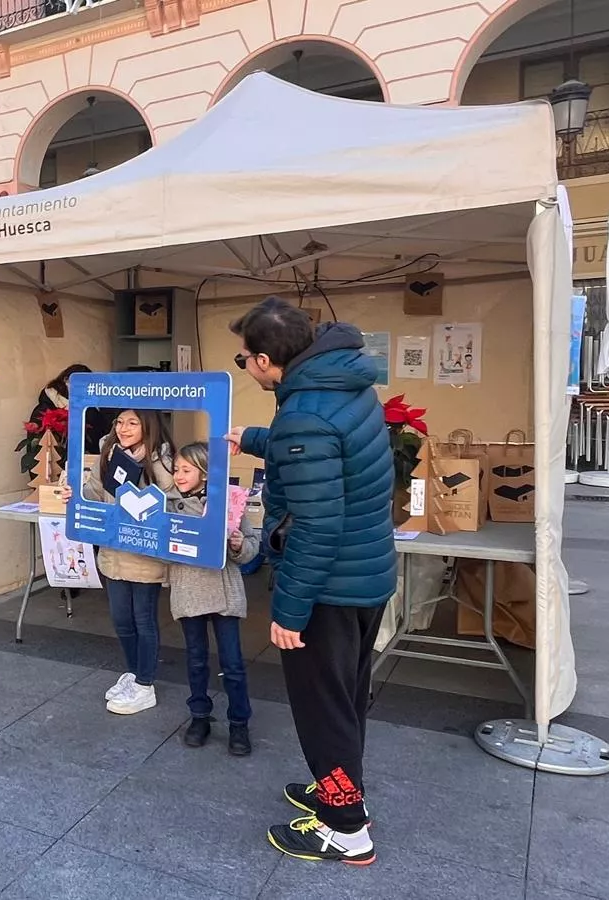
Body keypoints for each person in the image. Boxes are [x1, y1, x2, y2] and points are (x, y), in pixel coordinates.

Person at [226, 296, 396, 866]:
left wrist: (288, 612)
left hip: (326, 587)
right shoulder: (343, 385)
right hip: (364, 574)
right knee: (344, 701)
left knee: (323, 708)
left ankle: (347, 829)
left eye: (244, 357)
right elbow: (332, 453)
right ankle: (337, 789)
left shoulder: (302, 413)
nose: (245, 367)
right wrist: (252, 439)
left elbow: (316, 525)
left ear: (269, 360)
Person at [60, 408, 176, 715]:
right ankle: (134, 673)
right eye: (120, 421)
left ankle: (145, 683)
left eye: (132, 422)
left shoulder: (163, 460)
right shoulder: (108, 455)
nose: (123, 428)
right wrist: (76, 494)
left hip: (145, 555)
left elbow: (170, 502)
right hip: (113, 552)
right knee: (121, 620)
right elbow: (95, 493)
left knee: (143, 620)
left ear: (148, 425)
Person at [163, 441, 261, 756]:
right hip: (188, 588)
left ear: (204, 473)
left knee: (232, 663)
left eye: (187, 470)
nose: (179, 475)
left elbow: (251, 546)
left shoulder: (228, 503)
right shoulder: (164, 504)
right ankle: (200, 716)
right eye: (176, 469)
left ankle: (239, 723)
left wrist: (236, 544)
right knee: (195, 659)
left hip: (224, 591)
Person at [27, 363, 107, 455]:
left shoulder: (91, 404)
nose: (81, 387)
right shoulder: (48, 403)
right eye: (78, 383)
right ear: (65, 380)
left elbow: (100, 431)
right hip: (55, 459)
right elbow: (36, 439)